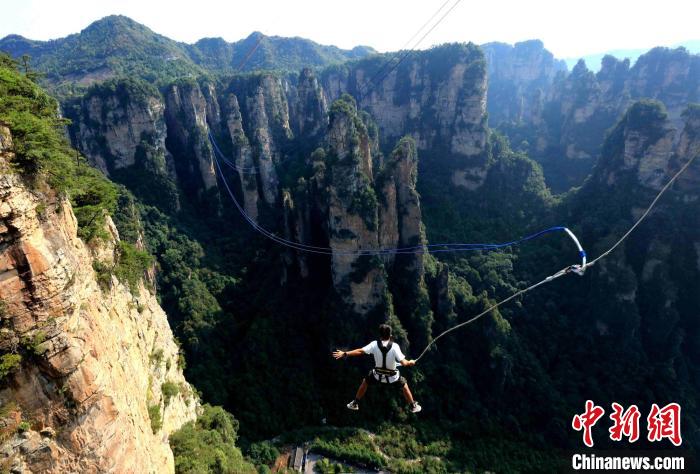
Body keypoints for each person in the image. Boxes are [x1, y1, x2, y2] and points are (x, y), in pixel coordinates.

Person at [332, 324, 422, 413]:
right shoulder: (395, 346)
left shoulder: (374, 344)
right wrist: (410, 362)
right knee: (404, 385)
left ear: (380, 335)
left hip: (377, 376)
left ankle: (355, 403)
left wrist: (345, 353)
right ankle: (413, 406)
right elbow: (404, 363)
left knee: (365, 381)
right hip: (392, 378)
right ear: (390, 336)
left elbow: (360, 351)